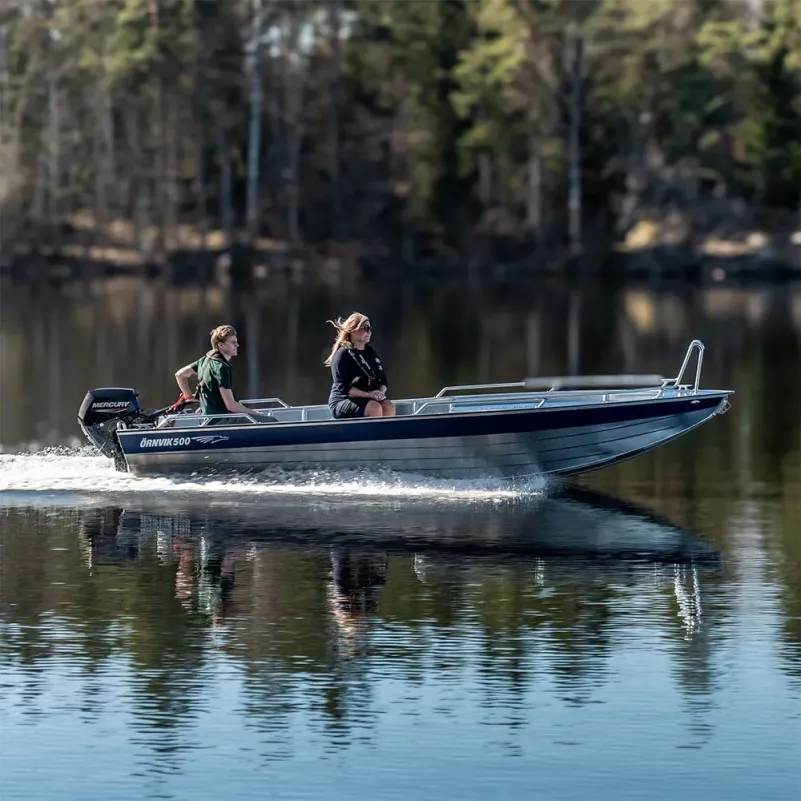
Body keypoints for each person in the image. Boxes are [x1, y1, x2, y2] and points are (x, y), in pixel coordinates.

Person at [175, 325, 271, 422]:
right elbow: (231, 406)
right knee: (270, 421)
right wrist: (254, 413)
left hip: (207, 420)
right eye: (233, 342)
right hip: (221, 421)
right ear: (221, 345)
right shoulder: (222, 368)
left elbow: (180, 375)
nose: (237, 345)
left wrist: (188, 396)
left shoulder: (205, 360)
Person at [324, 312, 396, 419]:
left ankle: (385, 435)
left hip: (368, 398)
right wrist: (369, 395)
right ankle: (372, 435)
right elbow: (343, 388)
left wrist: (379, 393)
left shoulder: (370, 353)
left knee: (388, 406)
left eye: (370, 328)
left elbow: (383, 381)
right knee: (374, 408)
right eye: (365, 328)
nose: (368, 332)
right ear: (353, 330)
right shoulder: (343, 354)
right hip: (343, 400)